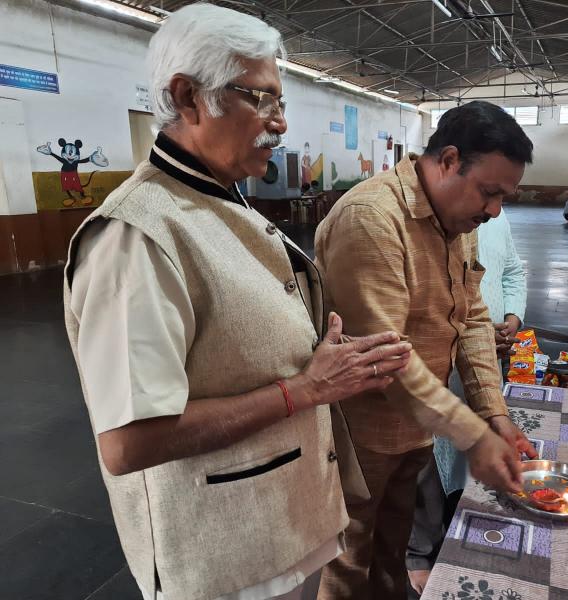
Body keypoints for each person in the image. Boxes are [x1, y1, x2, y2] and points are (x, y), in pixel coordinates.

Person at [62, 5, 412, 600]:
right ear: (189, 98)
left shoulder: (220, 200)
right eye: (263, 99)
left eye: (281, 103)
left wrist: (325, 359)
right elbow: (128, 442)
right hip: (225, 558)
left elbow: (238, 344)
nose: (279, 124)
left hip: (283, 523)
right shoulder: (136, 237)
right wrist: (306, 389)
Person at [314, 101, 536, 599]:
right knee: (352, 560)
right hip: (362, 434)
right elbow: (385, 357)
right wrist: (474, 437)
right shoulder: (372, 219)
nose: (495, 210)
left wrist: (494, 414)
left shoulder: (456, 221)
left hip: (415, 427)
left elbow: (472, 317)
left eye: (505, 197)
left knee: (391, 550)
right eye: (490, 192)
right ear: (449, 160)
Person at [406, 206, 530, 596]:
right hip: (431, 368)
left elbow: (509, 273)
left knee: (468, 460)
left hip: (482, 362)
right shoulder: (411, 224)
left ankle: (463, 534)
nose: (492, 208)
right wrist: (467, 335)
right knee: (426, 461)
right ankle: (418, 553)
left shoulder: (490, 218)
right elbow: (420, 311)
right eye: (488, 191)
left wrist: (512, 317)